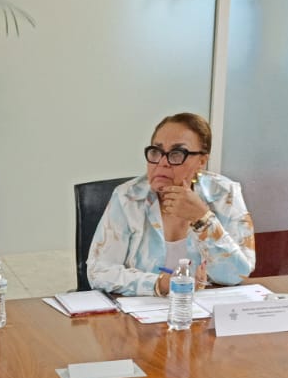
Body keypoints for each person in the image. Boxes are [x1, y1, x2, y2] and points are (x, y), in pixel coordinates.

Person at [85, 113, 256, 296]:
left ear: (201, 161)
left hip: (204, 309)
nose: (162, 162)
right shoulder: (128, 197)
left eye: (177, 154)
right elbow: (99, 272)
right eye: (156, 152)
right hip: (138, 311)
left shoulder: (225, 194)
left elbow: (236, 274)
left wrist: (203, 219)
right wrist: (160, 284)